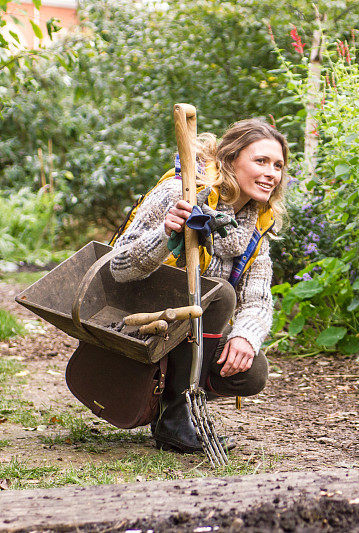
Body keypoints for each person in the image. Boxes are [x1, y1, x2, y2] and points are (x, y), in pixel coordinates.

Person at [110, 118, 287, 453]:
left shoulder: (257, 221)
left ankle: (179, 403)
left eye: (277, 165)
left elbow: (258, 299)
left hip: (185, 325)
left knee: (251, 371)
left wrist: (245, 338)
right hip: (135, 316)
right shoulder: (180, 194)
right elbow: (116, 271)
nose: (271, 173)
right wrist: (164, 236)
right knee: (219, 292)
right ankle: (175, 416)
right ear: (231, 160)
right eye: (260, 161)